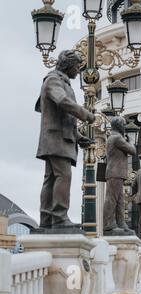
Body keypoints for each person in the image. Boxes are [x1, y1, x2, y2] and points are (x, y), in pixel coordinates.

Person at [36, 50, 96, 230]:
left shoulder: (61, 82)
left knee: (51, 178)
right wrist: (86, 114)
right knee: (63, 176)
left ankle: (47, 219)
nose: (78, 71)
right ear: (67, 66)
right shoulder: (54, 80)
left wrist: (78, 137)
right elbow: (62, 102)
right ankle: (59, 218)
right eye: (77, 67)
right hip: (56, 139)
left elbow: (64, 117)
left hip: (59, 137)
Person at [103, 117, 137, 235]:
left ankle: (121, 223)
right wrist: (131, 140)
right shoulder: (117, 138)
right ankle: (108, 224)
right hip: (115, 172)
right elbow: (132, 150)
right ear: (118, 125)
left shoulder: (115, 137)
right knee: (112, 198)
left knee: (120, 200)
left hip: (117, 172)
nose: (124, 126)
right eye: (123, 124)